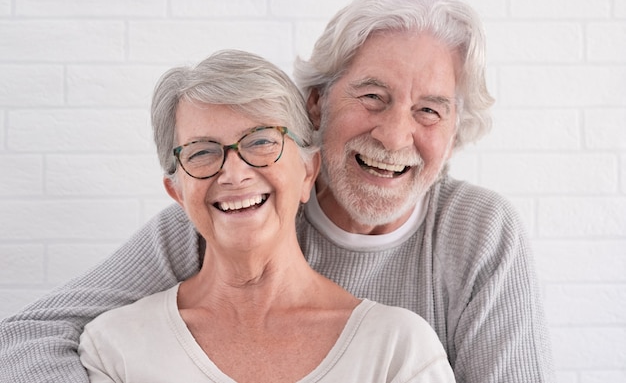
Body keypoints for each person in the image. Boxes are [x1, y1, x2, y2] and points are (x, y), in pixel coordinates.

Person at [0, 0, 554, 383]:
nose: (394, 135)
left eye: (430, 110)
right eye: (372, 97)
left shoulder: (477, 233)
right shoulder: (228, 212)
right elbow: (24, 339)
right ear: (317, 104)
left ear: (456, 130)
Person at [76, 49, 456, 382]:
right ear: (177, 192)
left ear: (308, 171)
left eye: (261, 142)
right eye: (201, 152)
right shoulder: (116, 349)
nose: (234, 173)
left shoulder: (397, 350)